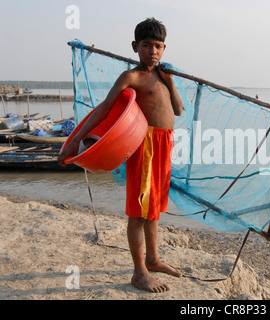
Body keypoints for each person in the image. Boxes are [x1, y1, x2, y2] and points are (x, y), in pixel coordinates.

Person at [58, 17, 184, 293]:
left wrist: (171, 82)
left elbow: (178, 110)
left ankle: (153, 259)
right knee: (138, 211)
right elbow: (105, 108)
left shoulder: (163, 77)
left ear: (164, 49)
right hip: (145, 144)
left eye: (158, 46)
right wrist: (74, 141)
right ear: (135, 46)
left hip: (164, 145)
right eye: (146, 45)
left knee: (153, 208)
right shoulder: (132, 77)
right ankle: (139, 272)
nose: (152, 51)